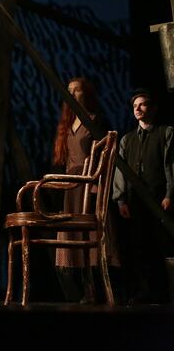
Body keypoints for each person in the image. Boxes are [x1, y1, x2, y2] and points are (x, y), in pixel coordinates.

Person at [51, 77, 119, 302]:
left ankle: (101, 290)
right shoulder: (66, 124)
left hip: (90, 184)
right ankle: (82, 290)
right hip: (72, 186)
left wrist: (97, 184)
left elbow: (105, 156)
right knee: (73, 237)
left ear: (86, 94)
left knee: (91, 235)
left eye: (77, 90)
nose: (72, 94)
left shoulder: (95, 120)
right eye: (69, 90)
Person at [112, 89, 173, 304]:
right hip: (135, 199)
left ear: (153, 108)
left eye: (143, 104)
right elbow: (120, 171)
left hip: (158, 197)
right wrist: (120, 199)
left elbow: (170, 165)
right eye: (135, 105)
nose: (137, 109)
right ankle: (147, 290)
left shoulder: (166, 132)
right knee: (140, 246)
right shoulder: (127, 139)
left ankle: (166, 291)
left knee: (161, 244)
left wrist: (169, 194)